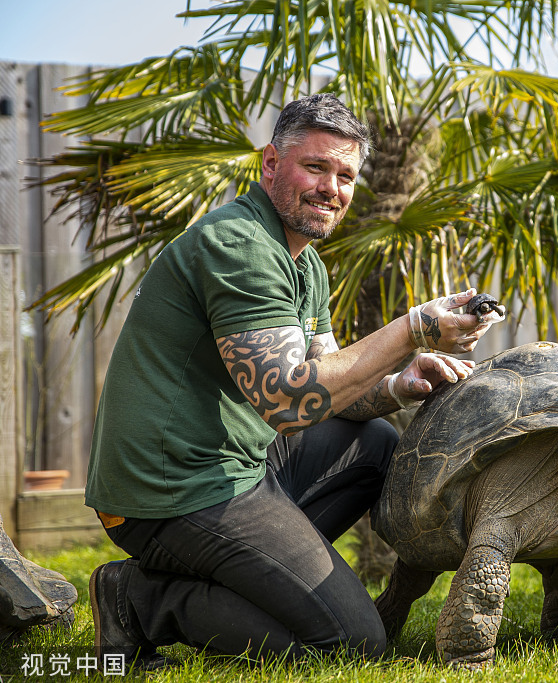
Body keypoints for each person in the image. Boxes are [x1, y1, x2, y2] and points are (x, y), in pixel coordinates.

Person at [85, 94, 496, 667]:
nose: (333, 188)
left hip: (235, 464)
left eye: (346, 175)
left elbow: (331, 391)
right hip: (170, 492)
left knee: (375, 444)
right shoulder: (241, 245)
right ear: (271, 164)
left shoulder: (304, 261)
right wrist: (414, 328)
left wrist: (400, 383)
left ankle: (264, 581)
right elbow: (288, 401)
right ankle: (141, 598)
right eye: (316, 167)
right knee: (351, 644)